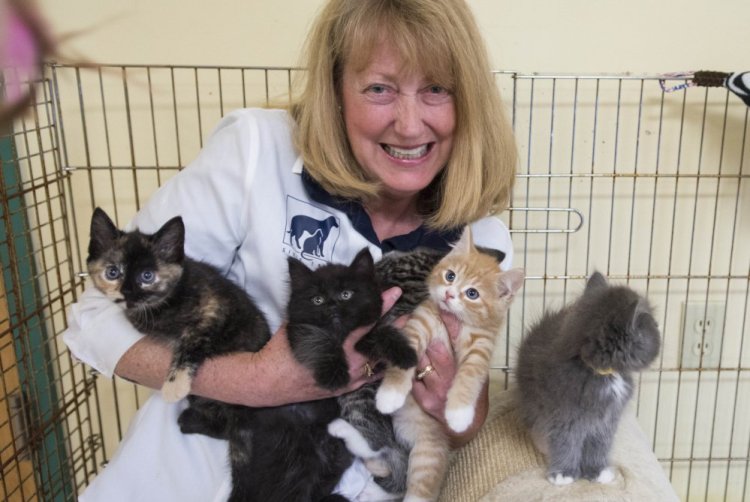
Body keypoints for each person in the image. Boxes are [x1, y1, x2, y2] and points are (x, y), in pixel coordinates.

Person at [63, 0, 517, 500]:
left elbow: (461, 425)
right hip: (194, 476)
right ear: (336, 92)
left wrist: (455, 400)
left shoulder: (483, 244)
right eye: (379, 89)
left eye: (436, 89)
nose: (409, 126)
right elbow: (95, 319)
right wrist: (257, 380)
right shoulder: (257, 150)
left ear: (468, 99)